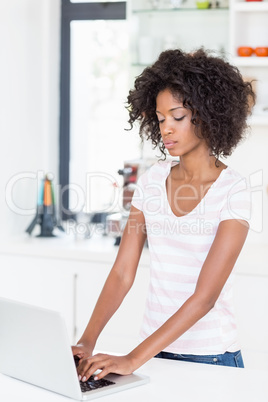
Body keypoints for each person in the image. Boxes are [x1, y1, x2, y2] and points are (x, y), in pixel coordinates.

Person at [72, 48, 255, 381]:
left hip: (210, 357)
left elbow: (205, 297)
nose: (166, 129)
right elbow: (123, 273)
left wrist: (130, 359)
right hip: (153, 353)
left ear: (207, 114)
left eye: (177, 116)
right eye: (160, 119)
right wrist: (87, 339)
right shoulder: (153, 180)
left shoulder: (233, 190)